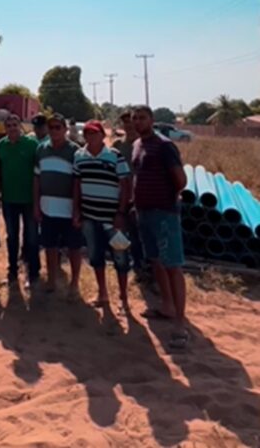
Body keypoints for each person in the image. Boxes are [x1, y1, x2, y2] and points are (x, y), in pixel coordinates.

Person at [131, 105, 188, 350]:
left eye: (142, 118)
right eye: (135, 118)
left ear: (152, 120)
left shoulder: (165, 146)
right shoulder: (137, 145)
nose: (138, 122)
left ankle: (180, 324)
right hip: (143, 212)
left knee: (172, 265)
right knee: (155, 260)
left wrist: (166, 198)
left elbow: (181, 180)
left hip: (164, 213)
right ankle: (166, 306)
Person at [73, 120, 131, 309]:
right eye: (87, 134)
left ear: (102, 135)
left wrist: (121, 212)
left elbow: (125, 185)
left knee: (121, 258)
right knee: (95, 256)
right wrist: (76, 211)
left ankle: (123, 298)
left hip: (112, 218)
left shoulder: (115, 155)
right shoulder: (79, 156)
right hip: (89, 216)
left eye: (95, 133)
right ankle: (103, 294)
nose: (91, 137)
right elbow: (77, 185)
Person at [33, 113, 82, 293]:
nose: (54, 131)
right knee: (50, 246)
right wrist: (36, 205)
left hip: (68, 209)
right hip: (47, 207)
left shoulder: (75, 151)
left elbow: (78, 182)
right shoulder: (41, 149)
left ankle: (74, 282)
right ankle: (51, 280)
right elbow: (36, 178)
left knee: (74, 248)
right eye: (51, 127)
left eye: (57, 127)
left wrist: (77, 209)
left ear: (65, 129)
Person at [0, 114, 39, 286]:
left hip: (29, 199)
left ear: (20, 126)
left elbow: (38, 171)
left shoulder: (32, 144)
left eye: (15, 125)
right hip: (9, 199)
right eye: (9, 126)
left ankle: (33, 272)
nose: (12, 128)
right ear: (5, 128)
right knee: (12, 237)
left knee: (31, 237)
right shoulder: (1, 145)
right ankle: (12, 271)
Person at [112, 110, 146, 277]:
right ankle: (122, 266)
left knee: (139, 235)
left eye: (131, 122)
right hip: (120, 196)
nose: (128, 126)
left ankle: (141, 268)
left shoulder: (143, 145)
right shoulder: (118, 145)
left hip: (140, 196)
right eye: (125, 123)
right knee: (120, 233)